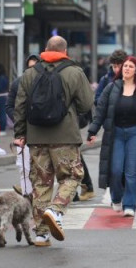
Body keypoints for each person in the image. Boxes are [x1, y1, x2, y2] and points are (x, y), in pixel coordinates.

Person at [13, 36, 94, 247]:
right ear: (65, 51)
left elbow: (20, 106)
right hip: (65, 136)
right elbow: (86, 104)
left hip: (36, 138)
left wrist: (20, 133)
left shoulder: (30, 74)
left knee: (40, 183)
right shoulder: (74, 72)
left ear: (45, 50)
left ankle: (41, 234)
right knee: (73, 175)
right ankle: (55, 209)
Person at [88, 56, 136, 216]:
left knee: (131, 171)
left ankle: (130, 205)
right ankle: (116, 198)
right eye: (125, 66)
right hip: (116, 133)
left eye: (130, 66)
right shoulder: (112, 88)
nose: (127, 68)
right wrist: (92, 131)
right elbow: (100, 112)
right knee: (116, 170)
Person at [7, 55, 39, 196]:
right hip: (24, 132)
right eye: (30, 67)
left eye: (35, 67)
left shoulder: (46, 83)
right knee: (24, 167)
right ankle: (27, 196)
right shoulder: (17, 83)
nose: (32, 70)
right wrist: (19, 121)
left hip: (41, 131)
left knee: (42, 168)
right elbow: (9, 106)